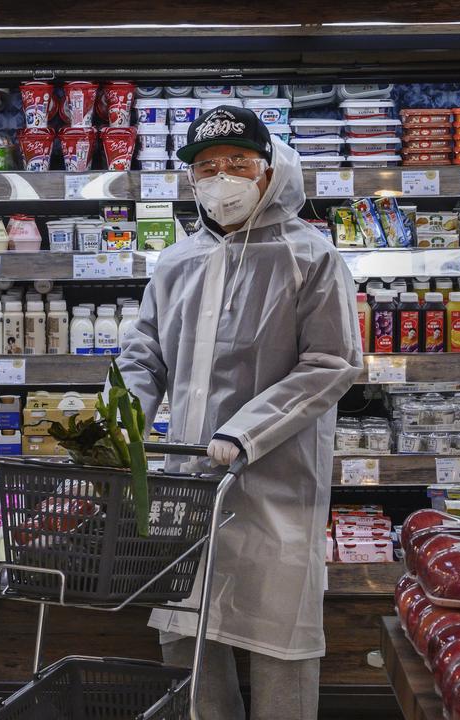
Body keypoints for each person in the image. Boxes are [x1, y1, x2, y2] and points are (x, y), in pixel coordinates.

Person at [114, 105, 362, 720]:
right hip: (184, 481)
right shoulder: (176, 262)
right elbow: (143, 357)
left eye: (237, 163)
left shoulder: (312, 257)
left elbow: (330, 362)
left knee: (277, 639)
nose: (221, 177)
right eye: (206, 167)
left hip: (275, 481)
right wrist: (118, 422)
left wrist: (245, 431)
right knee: (187, 637)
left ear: (269, 169)